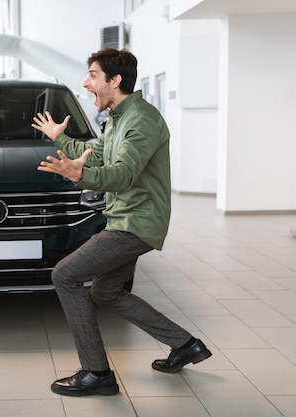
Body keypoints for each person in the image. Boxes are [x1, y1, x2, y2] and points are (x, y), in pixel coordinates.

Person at [31, 47, 212, 397]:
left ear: (115, 80)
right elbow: (97, 156)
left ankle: (97, 372)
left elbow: (124, 174)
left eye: (93, 76)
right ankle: (185, 345)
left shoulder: (142, 120)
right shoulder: (117, 117)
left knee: (65, 275)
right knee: (106, 291)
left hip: (136, 222)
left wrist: (79, 176)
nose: (86, 83)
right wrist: (61, 139)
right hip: (125, 218)